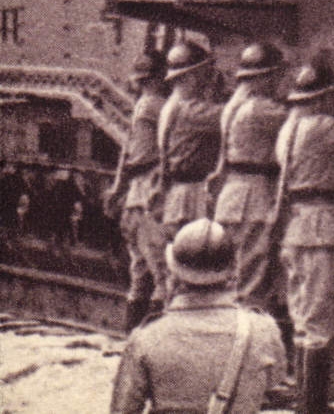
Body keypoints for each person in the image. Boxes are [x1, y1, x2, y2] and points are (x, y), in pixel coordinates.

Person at [111, 219, 288, 414]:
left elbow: (123, 410)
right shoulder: (263, 330)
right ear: (233, 271)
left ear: (173, 275)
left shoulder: (146, 338)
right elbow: (273, 384)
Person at [276, 57, 334, 414]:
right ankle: (313, 405)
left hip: (297, 227)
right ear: (322, 98)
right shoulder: (318, 127)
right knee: (321, 320)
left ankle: (306, 398)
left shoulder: (288, 128)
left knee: (304, 318)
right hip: (320, 228)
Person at [212, 42, 288, 312]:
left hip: (234, 194)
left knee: (232, 280)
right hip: (254, 196)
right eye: (277, 75)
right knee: (252, 284)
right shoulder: (260, 109)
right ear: (266, 77)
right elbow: (300, 123)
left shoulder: (235, 105)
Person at [102, 46, 171, 331]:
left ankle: (132, 339)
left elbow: (127, 155)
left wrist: (117, 189)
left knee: (140, 274)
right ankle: (154, 341)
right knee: (163, 276)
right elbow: (142, 157)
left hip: (134, 197)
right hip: (149, 197)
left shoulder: (141, 105)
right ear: (160, 77)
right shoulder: (157, 106)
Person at [156, 43, 225, 289]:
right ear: (193, 76)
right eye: (205, 72)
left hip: (178, 194)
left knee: (179, 270)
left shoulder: (171, 105)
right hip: (191, 195)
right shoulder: (189, 109)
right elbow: (229, 117)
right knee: (192, 268)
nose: (209, 78)